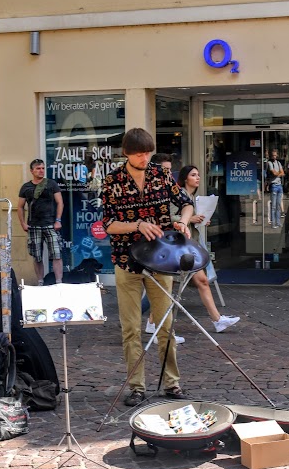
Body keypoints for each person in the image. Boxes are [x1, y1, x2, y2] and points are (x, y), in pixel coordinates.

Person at [102, 128, 194, 407]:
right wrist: (138, 225)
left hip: (160, 259)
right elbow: (108, 225)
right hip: (126, 260)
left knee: (165, 326)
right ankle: (137, 386)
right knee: (130, 328)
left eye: (148, 153)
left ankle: (172, 383)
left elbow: (186, 203)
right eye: (140, 154)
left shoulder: (160, 174)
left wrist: (183, 221)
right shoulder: (112, 181)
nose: (145, 158)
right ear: (127, 153)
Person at [176, 165, 240, 333]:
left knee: (202, 281)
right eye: (193, 175)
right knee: (170, 288)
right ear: (185, 179)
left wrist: (199, 220)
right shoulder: (179, 195)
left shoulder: (191, 196)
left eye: (198, 174)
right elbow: (168, 217)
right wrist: (190, 218)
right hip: (180, 247)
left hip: (189, 245)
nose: (198, 178)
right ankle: (153, 323)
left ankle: (217, 320)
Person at [143, 153, 185, 344]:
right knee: (159, 287)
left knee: (163, 287)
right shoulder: (150, 187)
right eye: (165, 170)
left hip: (165, 241)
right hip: (152, 243)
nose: (169, 174)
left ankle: (157, 326)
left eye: (170, 170)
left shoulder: (170, 187)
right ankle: (160, 329)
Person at [18, 158, 64, 285]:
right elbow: (20, 206)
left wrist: (58, 220)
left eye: (43, 168)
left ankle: (59, 282)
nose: (41, 171)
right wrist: (23, 223)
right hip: (33, 226)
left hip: (50, 224)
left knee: (56, 254)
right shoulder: (26, 187)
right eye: (38, 168)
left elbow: (60, 202)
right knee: (37, 256)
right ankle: (40, 282)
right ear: (32, 171)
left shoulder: (51, 184)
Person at [266, 150, 284, 229]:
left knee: (278, 205)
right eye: (273, 155)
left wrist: (279, 173)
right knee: (273, 206)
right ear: (270, 156)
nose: (274, 157)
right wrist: (279, 173)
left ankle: (278, 222)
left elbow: (283, 173)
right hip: (273, 185)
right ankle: (273, 223)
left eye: (275, 155)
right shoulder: (270, 163)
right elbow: (274, 173)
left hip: (279, 185)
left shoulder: (278, 163)